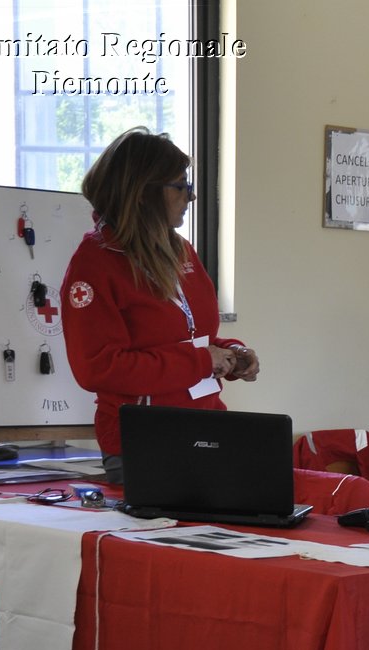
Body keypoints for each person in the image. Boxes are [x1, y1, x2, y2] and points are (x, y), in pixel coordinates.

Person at [61, 128, 259, 484]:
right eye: (180, 186)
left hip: (207, 429)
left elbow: (194, 337)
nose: (191, 195)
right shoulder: (95, 264)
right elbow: (99, 368)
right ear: (142, 193)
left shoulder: (179, 250)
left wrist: (230, 354)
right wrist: (202, 361)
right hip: (145, 442)